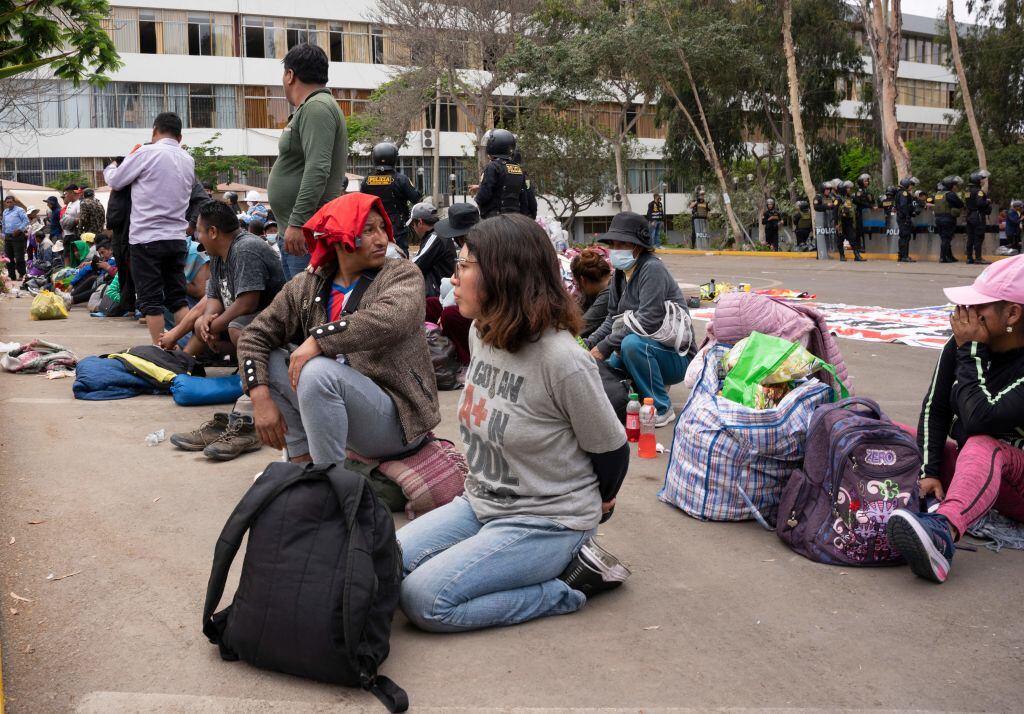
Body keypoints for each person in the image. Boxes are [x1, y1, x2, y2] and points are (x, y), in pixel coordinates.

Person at [397, 213, 630, 633]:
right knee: (383, 563)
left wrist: (603, 498)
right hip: (480, 501)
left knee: (424, 599)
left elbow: (611, 448)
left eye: (464, 267)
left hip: (546, 521)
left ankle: (566, 586)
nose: (453, 279)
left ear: (502, 276)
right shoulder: (480, 334)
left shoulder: (563, 360)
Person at [236, 192, 440, 467]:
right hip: (332, 404)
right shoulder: (306, 285)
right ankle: (301, 460)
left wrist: (319, 339)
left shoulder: (401, 273)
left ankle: (329, 481)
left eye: (382, 228)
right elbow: (254, 336)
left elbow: (391, 318)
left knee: (316, 372)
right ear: (341, 239)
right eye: (368, 231)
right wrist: (259, 398)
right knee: (271, 359)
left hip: (397, 419)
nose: (382, 239)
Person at [887, 256, 1024, 583]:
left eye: (977, 307)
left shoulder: (971, 347)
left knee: (980, 445)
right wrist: (928, 470)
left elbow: (980, 419)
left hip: (1016, 481)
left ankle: (942, 532)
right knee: (892, 433)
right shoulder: (964, 345)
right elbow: (934, 408)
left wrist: (972, 352)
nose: (963, 314)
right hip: (979, 474)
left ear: (1013, 314)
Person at [169, 201, 286, 461]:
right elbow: (214, 299)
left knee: (234, 326)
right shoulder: (218, 254)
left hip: (275, 324)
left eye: (198, 230)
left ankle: (251, 421)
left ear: (212, 232)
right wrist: (207, 322)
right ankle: (242, 412)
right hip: (244, 321)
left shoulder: (246, 248)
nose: (196, 235)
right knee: (207, 326)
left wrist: (215, 324)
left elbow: (249, 302)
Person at [585, 211, 694, 426]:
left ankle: (662, 407)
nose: (616, 250)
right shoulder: (619, 275)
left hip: (675, 356)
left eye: (622, 244)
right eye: (613, 244)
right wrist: (590, 344)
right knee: (609, 365)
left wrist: (605, 346)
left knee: (631, 345)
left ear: (637, 246)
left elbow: (648, 320)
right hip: (648, 348)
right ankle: (653, 384)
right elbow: (611, 318)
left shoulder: (651, 269)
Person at [103, 111, 195, 344]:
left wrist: (112, 165)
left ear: (154, 131)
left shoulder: (146, 152)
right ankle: (187, 350)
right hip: (176, 239)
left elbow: (115, 180)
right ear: (180, 137)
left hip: (146, 239)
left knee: (151, 301)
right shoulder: (188, 159)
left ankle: (162, 352)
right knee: (177, 299)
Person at [268, 43, 348, 281]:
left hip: (306, 234)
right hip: (298, 233)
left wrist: (298, 223)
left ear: (290, 75)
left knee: (306, 311)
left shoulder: (317, 107)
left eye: (284, 74)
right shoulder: (312, 107)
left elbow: (317, 169)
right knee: (296, 309)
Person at [424, 203, 480, 365]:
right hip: (465, 299)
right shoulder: (465, 250)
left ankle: (466, 361)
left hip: (482, 307)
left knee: (450, 315)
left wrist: (444, 311)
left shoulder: (481, 252)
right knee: (430, 304)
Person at [473, 129, 536, 220]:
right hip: (515, 218)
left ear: (493, 147)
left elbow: (485, 194)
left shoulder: (493, 166)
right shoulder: (518, 169)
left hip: (494, 219)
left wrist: (476, 203)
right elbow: (523, 196)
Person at [409, 202, 454, 298]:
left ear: (420, 222)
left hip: (439, 295)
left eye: (413, 224)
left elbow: (415, 265)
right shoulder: (440, 233)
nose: (413, 228)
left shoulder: (435, 236)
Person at [570, 248, 612, 339]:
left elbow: (579, 329)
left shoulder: (609, 294)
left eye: (577, 283)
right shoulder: (596, 292)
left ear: (582, 280)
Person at [934, 176, 965, 264]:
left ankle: (950, 256)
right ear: (950, 185)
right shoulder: (950, 194)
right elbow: (960, 204)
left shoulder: (938, 194)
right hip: (947, 218)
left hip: (938, 219)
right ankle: (943, 257)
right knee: (946, 238)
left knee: (945, 238)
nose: (956, 187)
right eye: (955, 185)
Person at [965, 170, 992, 265]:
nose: (983, 181)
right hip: (978, 216)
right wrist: (988, 202)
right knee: (978, 237)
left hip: (969, 215)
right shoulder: (979, 192)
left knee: (970, 237)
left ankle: (969, 258)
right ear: (977, 181)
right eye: (981, 179)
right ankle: (978, 258)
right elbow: (980, 203)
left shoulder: (967, 191)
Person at [3, 195, 29, 280]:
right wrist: (3, 234)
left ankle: (22, 274)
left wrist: (19, 230)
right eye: (7, 202)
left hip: (17, 236)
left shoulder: (19, 210)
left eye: (11, 202)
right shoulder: (5, 212)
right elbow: (3, 224)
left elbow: (26, 221)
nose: (9, 203)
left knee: (19, 257)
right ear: (5, 203)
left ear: (14, 202)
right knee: (8, 258)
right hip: (8, 236)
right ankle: (12, 276)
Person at [895, 176, 919, 263]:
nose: (911, 186)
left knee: (903, 237)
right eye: (910, 185)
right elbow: (904, 206)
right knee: (905, 237)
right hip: (904, 218)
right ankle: (904, 256)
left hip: (902, 217)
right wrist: (908, 217)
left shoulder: (900, 192)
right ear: (906, 185)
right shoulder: (904, 193)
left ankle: (901, 256)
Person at [852, 174, 874, 253]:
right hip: (861, 213)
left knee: (867, 230)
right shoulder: (859, 191)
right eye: (865, 181)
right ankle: (859, 247)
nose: (867, 182)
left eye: (867, 181)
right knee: (860, 231)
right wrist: (869, 205)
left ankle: (867, 246)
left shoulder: (868, 191)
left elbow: (872, 201)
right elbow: (857, 201)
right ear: (861, 182)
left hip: (868, 214)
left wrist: (872, 206)